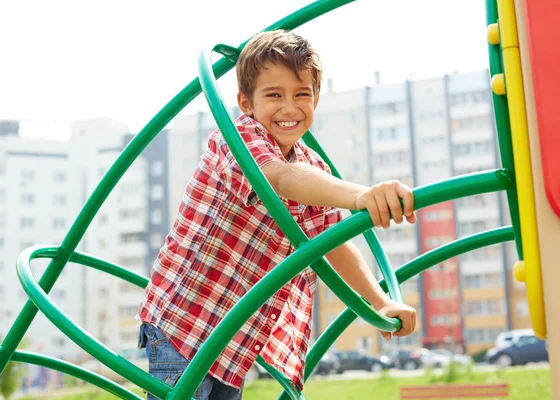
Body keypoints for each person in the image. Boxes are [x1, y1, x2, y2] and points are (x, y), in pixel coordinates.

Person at [136, 29, 417, 400]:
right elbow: (279, 177)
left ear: (316, 98)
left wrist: (380, 300)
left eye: (302, 94)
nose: (289, 107)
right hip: (183, 320)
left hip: (234, 340)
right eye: (274, 95)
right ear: (245, 102)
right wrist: (362, 195)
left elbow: (331, 242)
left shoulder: (312, 166)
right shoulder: (237, 137)